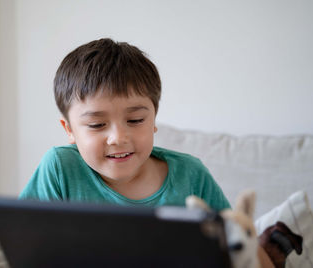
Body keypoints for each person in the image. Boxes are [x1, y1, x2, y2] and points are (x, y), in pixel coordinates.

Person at [19, 38, 230, 211]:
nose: (118, 137)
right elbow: (19, 244)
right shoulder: (60, 169)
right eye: (97, 124)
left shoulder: (191, 175)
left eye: (135, 120)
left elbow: (240, 248)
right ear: (70, 130)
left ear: (153, 119)